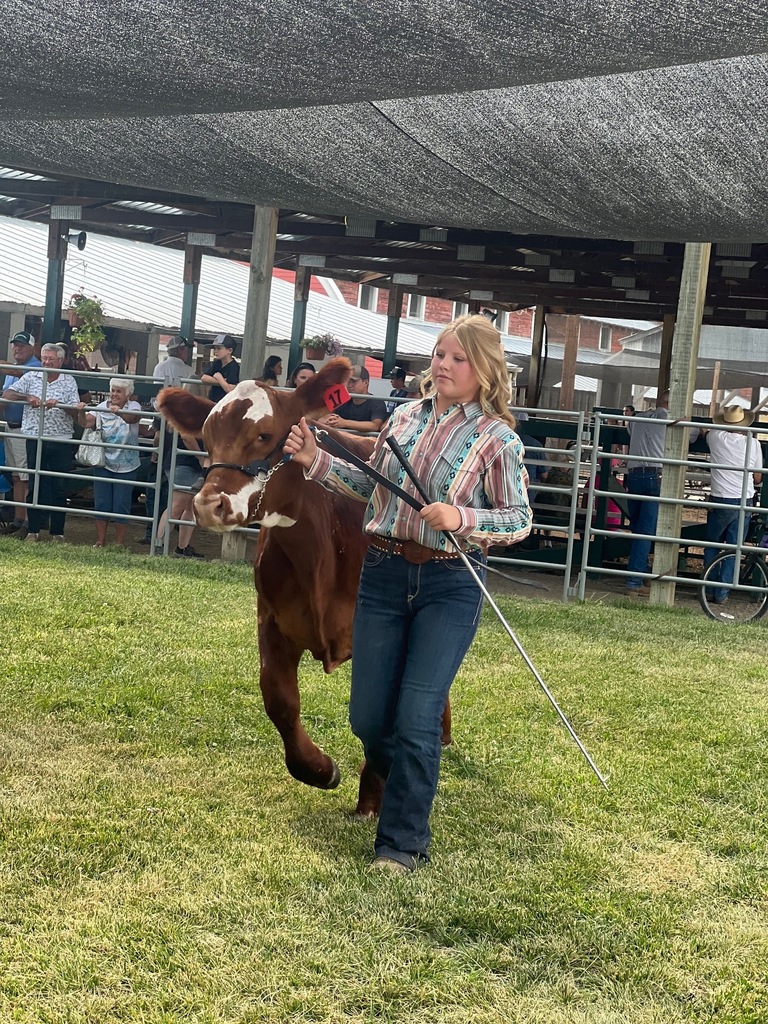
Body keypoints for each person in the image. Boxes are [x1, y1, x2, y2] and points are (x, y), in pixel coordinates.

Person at [284, 314, 532, 873]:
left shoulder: (498, 440)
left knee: (419, 714)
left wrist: (462, 517)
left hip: (451, 581)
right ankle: (408, 780)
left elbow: (518, 519)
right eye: (439, 354)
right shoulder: (402, 418)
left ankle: (402, 842)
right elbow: (375, 491)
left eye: (457, 358)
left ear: (484, 371)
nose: (442, 364)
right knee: (369, 718)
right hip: (385, 575)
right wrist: (315, 462)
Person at [1, 343, 83, 542]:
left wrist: (62, 405)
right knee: (35, 482)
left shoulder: (68, 380)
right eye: (44, 358)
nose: (46, 362)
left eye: (51, 359)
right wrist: (27, 396)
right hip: (35, 437)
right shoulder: (31, 376)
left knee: (59, 486)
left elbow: (75, 411)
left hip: (61, 439)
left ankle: (57, 532)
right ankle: (33, 530)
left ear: (60, 361)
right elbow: (8, 394)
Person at [624, 390, 699, 593]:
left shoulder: (638, 418)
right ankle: (634, 580)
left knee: (638, 527)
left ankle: (642, 570)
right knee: (646, 531)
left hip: (633, 475)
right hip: (655, 476)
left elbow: (630, 430)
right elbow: (692, 436)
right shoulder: (672, 419)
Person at [702, 406, 763, 605]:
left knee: (712, 544)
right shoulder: (753, 444)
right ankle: (722, 592)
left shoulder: (715, 438)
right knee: (734, 547)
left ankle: (707, 587)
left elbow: (706, 431)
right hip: (743, 499)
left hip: (720, 498)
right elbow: (757, 477)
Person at [78, 378, 142, 548]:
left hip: (127, 464)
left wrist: (118, 412)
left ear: (127, 394)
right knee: (101, 502)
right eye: (113, 390)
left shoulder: (134, 406)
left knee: (121, 503)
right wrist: (80, 412)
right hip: (103, 461)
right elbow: (86, 423)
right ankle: (100, 540)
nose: (114, 394)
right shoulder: (100, 408)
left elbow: (132, 419)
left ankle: (119, 543)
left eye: (118, 391)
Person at [1, 330, 41, 534]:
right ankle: (18, 520)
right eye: (15, 345)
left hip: (25, 429)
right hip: (11, 426)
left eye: (22, 345)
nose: (17, 348)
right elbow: (7, 395)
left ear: (32, 349)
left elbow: (15, 380)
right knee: (17, 475)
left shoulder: (34, 367)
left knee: (24, 476)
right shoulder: (13, 370)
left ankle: (27, 523)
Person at [155, 420, 206, 559]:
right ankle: (159, 545)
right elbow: (186, 436)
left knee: (190, 507)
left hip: (188, 464)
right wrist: (201, 457)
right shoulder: (189, 413)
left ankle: (181, 548)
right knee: (177, 506)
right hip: (184, 463)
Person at [318, 364, 387, 434]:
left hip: (364, 442)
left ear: (366, 383)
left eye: (353, 381)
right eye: (347, 381)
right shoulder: (341, 398)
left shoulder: (377, 402)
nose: (349, 385)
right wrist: (329, 420)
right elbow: (323, 416)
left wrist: (344, 423)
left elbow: (375, 426)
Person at [201, 336, 240, 402]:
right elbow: (204, 378)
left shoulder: (234, 367)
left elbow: (230, 390)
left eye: (219, 348)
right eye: (215, 348)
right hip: (213, 400)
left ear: (229, 350)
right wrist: (222, 381)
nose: (215, 351)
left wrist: (219, 377)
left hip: (225, 403)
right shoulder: (217, 363)